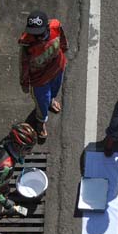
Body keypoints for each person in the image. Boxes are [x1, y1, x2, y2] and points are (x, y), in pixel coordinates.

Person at [19, 10, 69, 139]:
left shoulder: (55, 26)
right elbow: (23, 64)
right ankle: (40, 122)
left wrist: (64, 46)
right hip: (39, 80)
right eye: (34, 34)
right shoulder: (27, 43)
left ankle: (51, 101)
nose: (37, 37)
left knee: (54, 91)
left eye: (40, 33)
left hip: (57, 68)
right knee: (42, 104)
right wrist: (24, 82)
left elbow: (62, 38)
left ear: (47, 27)